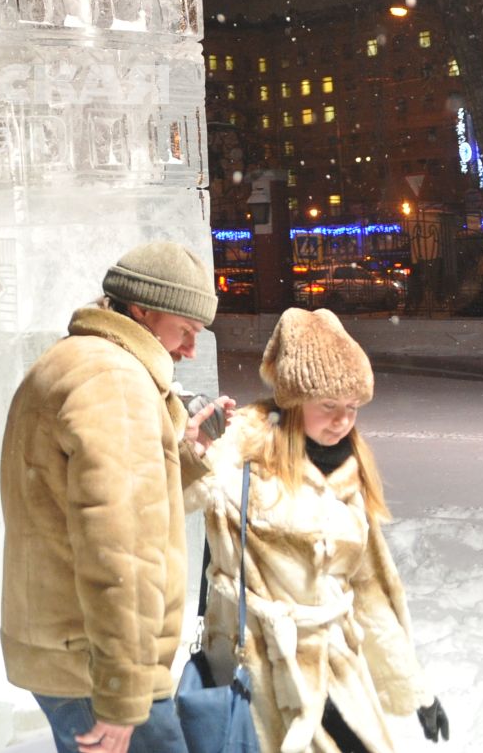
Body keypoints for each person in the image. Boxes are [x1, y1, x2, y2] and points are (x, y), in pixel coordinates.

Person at [0, 241, 235, 753]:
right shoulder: (115, 384)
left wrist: (185, 454)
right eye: (186, 332)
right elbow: (119, 550)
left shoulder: (76, 360)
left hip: (74, 651)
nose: (190, 350)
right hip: (99, 663)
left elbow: (89, 502)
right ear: (143, 308)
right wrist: (123, 693)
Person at [188, 308, 451, 752]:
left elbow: (368, 591)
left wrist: (414, 690)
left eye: (351, 408)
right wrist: (191, 450)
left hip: (333, 671)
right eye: (328, 406)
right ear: (294, 402)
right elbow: (176, 497)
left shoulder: (351, 471)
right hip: (256, 671)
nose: (341, 421)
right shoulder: (240, 450)